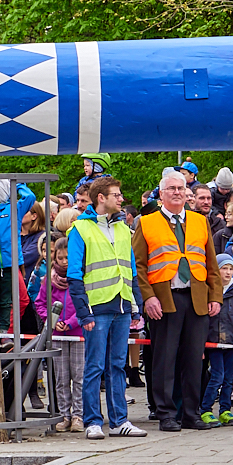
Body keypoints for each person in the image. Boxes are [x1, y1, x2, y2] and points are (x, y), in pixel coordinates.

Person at [134, 169, 223, 433]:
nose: (176, 192)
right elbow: (137, 265)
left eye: (180, 188)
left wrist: (215, 296)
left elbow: (211, 262)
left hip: (196, 297)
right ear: (161, 194)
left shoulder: (199, 220)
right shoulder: (146, 222)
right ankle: (165, 413)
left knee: (194, 359)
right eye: (171, 189)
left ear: (188, 193)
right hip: (164, 299)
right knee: (165, 358)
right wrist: (148, 297)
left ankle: (191, 413)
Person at [68, 177, 146, 440]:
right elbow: (74, 274)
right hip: (97, 304)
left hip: (122, 304)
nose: (121, 199)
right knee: (94, 366)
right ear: (101, 198)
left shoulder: (125, 228)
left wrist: (136, 305)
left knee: (117, 365)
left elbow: (131, 270)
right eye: (117, 195)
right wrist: (83, 312)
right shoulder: (80, 229)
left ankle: (119, 420)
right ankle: (92, 421)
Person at [33, 237, 84, 432]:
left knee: (79, 376)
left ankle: (79, 414)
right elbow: (40, 302)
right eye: (60, 258)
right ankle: (64, 415)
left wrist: (70, 322)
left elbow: (85, 304)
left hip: (78, 333)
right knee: (61, 377)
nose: (64, 262)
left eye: (68, 258)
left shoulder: (80, 277)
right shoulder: (49, 279)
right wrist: (53, 321)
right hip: (57, 334)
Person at [200, 254, 233, 428]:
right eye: (224, 268)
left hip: (232, 342)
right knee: (217, 376)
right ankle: (206, 409)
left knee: (229, 378)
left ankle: (225, 410)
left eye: (230, 269)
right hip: (213, 342)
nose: (228, 272)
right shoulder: (209, 291)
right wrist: (201, 346)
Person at [0, 179, 37, 331]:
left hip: (10, 263)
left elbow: (30, 197)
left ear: (1, 195)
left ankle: (4, 331)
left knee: (9, 300)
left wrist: (17, 183)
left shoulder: (14, 209)